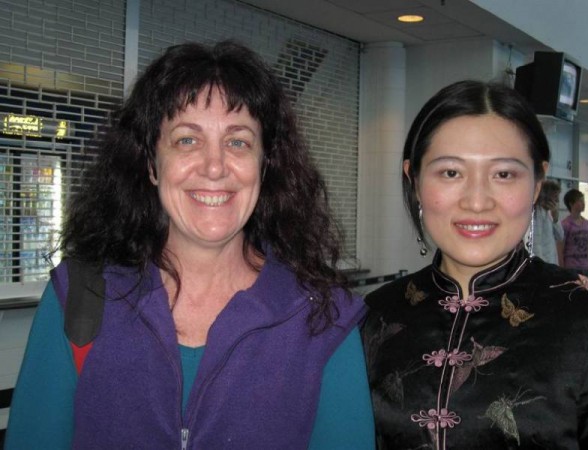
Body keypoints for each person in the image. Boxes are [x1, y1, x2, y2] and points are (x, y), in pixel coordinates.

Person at [5, 41, 375, 449]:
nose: (214, 167)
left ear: (265, 165)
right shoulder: (79, 297)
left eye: (238, 142)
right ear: (151, 164)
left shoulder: (324, 318)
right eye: (186, 140)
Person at [361, 80, 588, 449]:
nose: (476, 202)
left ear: (537, 184)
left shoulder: (587, 316)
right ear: (415, 180)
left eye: (503, 174)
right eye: (450, 173)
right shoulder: (371, 317)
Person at [562, 188, 588, 277]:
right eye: (580, 201)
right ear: (571, 204)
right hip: (571, 267)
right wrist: (561, 268)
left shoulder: (587, 223)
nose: (583, 203)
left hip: (586, 266)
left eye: (583, 201)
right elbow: (561, 249)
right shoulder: (565, 224)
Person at [531, 179, 564, 265]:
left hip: (551, 262)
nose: (557, 200)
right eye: (555, 196)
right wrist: (542, 266)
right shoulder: (537, 212)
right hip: (543, 264)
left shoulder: (549, 213)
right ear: (547, 196)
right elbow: (536, 244)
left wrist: (556, 218)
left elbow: (560, 236)